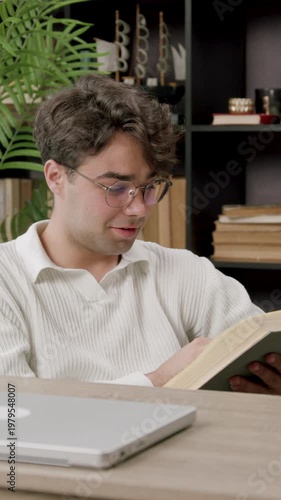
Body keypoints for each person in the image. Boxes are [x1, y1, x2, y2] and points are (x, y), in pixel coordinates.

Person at [0, 74, 280, 395]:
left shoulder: (187, 274)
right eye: (116, 188)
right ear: (56, 177)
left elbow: (260, 347)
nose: (140, 209)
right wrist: (159, 380)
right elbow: (15, 423)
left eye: (149, 188)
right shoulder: (6, 281)